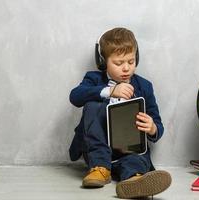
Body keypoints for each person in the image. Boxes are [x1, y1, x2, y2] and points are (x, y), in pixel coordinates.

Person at [69, 27, 171, 199]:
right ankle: (101, 169)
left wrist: (152, 127)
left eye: (131, 62)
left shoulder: (144, 86)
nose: (126, 68)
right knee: (92, 105)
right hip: (97, 152)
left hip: (129, 151)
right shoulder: (94, 79)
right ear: (103, 62)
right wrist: (110, 91)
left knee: (135, 162)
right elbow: (75, 96)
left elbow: (158, 125)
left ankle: (135, 180)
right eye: (118, 63)